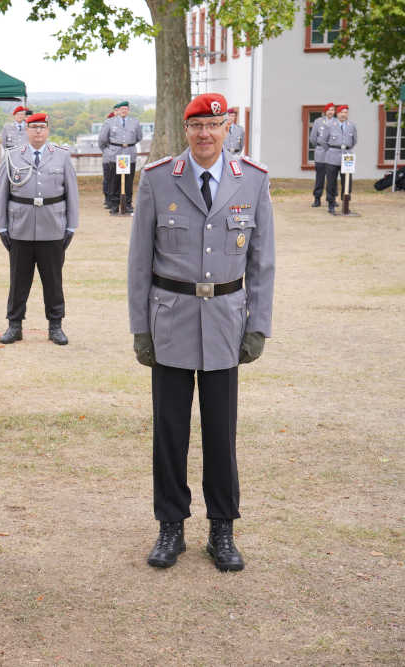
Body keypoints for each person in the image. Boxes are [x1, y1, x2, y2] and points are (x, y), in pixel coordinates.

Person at [128, 92, 275, 572]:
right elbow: (138, 264)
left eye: (214, 125)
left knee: (220, 433)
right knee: (169, 433)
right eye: (196, 126)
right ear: (185, 130)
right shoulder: (157, 180)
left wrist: (258, 326)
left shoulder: (250, 181)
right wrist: (140, 329)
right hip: (170, 321)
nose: (205, 135)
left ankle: (222, 529)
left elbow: (262, 262)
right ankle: (170, 526)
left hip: (225, 326)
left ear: (228, 127)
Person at [0, 112, 79, 346]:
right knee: (18, 280)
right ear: (26, 131)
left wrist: (71, 226)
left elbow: (72, 192)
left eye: (42, 127)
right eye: (34, 128)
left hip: (53, 227)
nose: (38, 132)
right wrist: (1, 226)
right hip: (20, 227)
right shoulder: (13, 157)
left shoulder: (61, 157)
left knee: (53, 280)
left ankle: (55, 325)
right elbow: (2, 193)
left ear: (48, 130)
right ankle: (14, 324)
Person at [98, 101, 142, 212]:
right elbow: (103, 139)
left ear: (128, 110)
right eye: (122, 109)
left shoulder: (135, 122)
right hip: (114, 154)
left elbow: (139, 137)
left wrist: (128, 144)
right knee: (114, 181)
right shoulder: (109, 122)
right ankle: (114, 205)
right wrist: (108, 151)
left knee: (128, 181)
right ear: (118, 110)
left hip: (129, 154)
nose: (124, 111)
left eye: (126, 109)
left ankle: (127, 204)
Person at [319, 104, 357, 214]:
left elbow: (354, 140)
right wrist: (331, 149)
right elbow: (322, 140)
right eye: (341, 112)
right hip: (332, 155)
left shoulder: (351, 126)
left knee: (347, 181)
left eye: (346, 112)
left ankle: (346, 204)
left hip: (347, 156)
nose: (344, 115)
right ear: (337, 113)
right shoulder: (329, 125)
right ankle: (331, 203)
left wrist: (347, 149)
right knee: (331, 181)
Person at [309, 103, 336, 208]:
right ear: (325, 111)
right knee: (320, 177)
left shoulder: (337, 122)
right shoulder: (318, 121)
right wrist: (320, 145)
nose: (331, 112)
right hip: (321, 152)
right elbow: (313, 138)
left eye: (333, 110)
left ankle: (332, 198)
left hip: (333, 153)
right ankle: (317, 198)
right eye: (329, 110)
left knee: (332, 178)